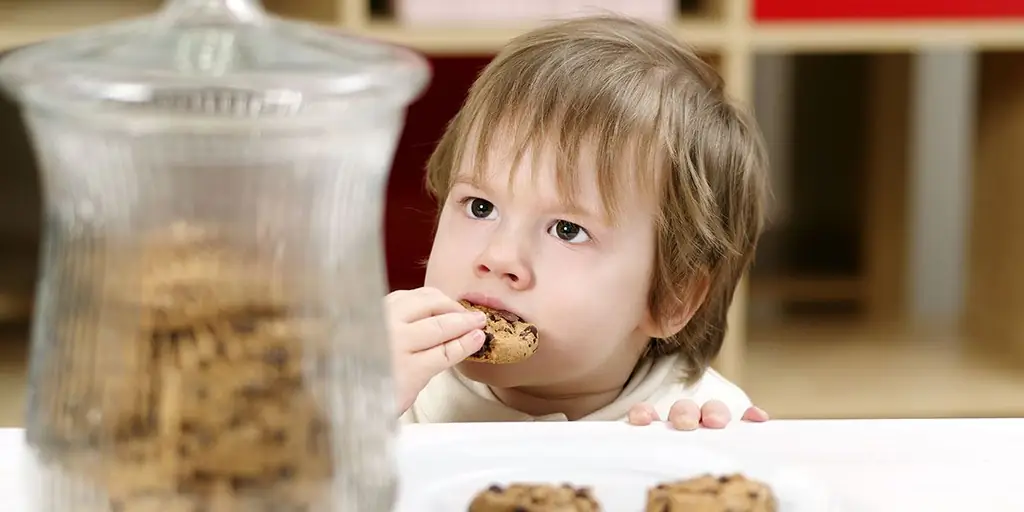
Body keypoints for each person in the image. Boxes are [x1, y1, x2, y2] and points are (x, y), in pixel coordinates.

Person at [387, 14, 771, 430]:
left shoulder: (689, 418)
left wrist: (706, 460)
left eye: (567, 230)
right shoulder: (387, 378)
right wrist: (346, 410)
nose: (498, 258)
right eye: (481, 207)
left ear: (672, 297)